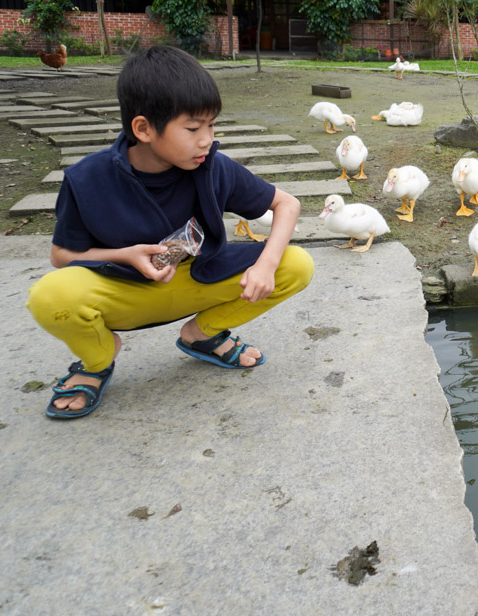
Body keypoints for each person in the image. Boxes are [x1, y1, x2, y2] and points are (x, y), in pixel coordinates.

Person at [26, 45, 314, 419]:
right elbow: (61, 257)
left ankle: (203, 334)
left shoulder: (213, 166)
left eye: (211, 125)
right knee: (50, 296)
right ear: (143, 128)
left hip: (201, 278)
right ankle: (97, 361)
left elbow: (286, 204)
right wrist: (123, 255)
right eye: (193, 128)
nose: (206, 139)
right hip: (127, 291)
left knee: (296, 265)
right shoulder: (87, 179)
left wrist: (264, 266)